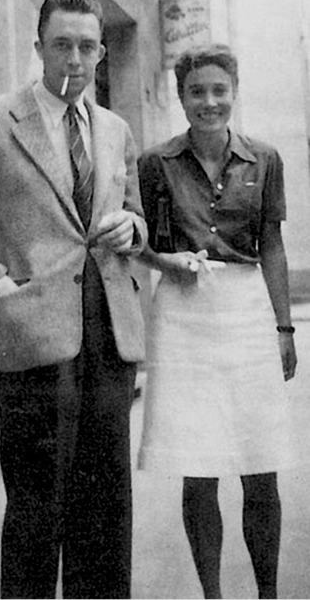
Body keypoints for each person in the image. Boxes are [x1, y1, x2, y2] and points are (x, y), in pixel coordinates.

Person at [0, 0, 147, 599]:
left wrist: (134, 227)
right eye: (61, 45)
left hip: (108, 339)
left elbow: (134, 219)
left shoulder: (114, 129)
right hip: (33, 342)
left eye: (86, 47)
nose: (74, 59)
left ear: (102, 52)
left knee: (106, 513)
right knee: (34, 512)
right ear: (38, 48)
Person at [137, 44, 297, 599]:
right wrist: (168, 262)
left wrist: (283, 329)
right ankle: (212, 596)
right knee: (197, 466)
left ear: (234, 92)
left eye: (219, 90)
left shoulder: (265, 158)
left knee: (260, 463)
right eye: (196, 91)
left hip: (246, 311)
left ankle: (269, 594)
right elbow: (143, 247)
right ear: (181, 97)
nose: (209, 102)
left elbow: (271, 244)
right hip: (183, 315)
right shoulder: (155, 164)